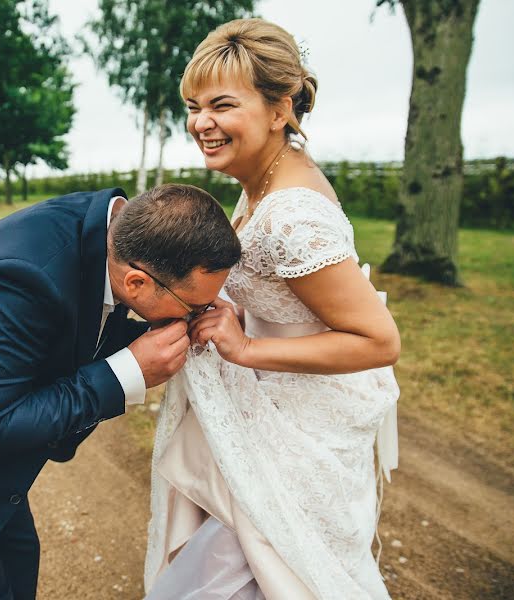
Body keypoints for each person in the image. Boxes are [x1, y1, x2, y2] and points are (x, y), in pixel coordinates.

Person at [0, 184, 241, 600]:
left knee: (20, 575)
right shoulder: (18, 276)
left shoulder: (113, 234)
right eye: (194, 306)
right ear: (137, 282)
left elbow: (83, 325)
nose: (199, 314)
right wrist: (127, 372)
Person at [144, 19, 401, 600]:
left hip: (299, 435)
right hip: (270, 416)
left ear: (279, 109)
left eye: (222, 105)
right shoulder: (260, 178)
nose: (201, 123)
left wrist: (247, 347)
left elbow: (378, 341)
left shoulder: (290, 214)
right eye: (193, 106)